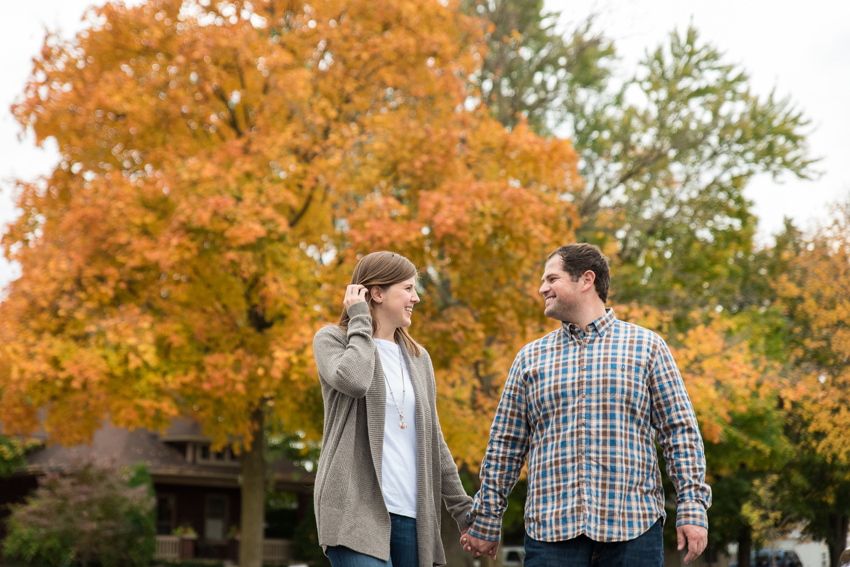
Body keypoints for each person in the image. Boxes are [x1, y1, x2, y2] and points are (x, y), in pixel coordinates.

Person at [460, 243, 712, 566]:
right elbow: (505, 445)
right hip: (551, 534)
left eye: (552, 279)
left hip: (633, 529)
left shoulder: (648, 347)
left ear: (586, 280)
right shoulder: (529, 358)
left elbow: (679, 433)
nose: (542, 289)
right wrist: (486, 518)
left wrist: (692, 506)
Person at [312, 251, 473, 567]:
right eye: (408, 288)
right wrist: (360, 319)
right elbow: (355, 380)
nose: (416, 297)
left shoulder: (418, 358)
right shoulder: (333, 340)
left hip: (414, 515)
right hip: (353, 509)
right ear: (377, 293)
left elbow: (434, 441)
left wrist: (462, 510)